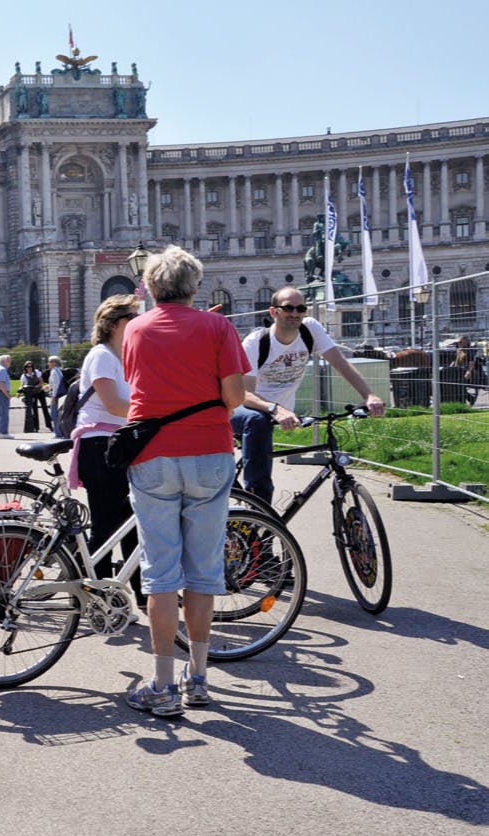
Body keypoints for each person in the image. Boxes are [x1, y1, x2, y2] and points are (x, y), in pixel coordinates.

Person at [122, 245, 249, 717]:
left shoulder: (134, 328)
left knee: (160, 575)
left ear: (151, 288)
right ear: (195, 287)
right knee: (203, 572)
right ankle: (198, 680)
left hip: (153, 456)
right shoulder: (219, 326)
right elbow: (233, 397)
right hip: (210, 453)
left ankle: (162, 687)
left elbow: (139, 385)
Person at [231, 287, 386, 503]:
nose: (295, 313)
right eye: (288, 308)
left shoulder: (310, 329)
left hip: (280, 412)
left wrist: (369, 395)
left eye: (300, 308)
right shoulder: (256, 342)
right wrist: (275, 408)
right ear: (273, 311)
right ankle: (258, 505)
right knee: (257, 421)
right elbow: (243, 393)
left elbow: (341, 364)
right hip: (247, 408)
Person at [70, 296, 142, 601]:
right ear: (114, 325)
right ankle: (96, 595)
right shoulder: (101, 355)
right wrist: (154, 414)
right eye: (132, 318)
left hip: (117, 445)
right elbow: (113, 404)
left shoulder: (121, 355)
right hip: (100, 447)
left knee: (130, 523)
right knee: (107, 525)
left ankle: (139, 591)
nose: (139, 323)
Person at [17, 360, 51, 433]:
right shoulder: (24, 376)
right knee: (34, 409)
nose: (29, 368)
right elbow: (22, 384)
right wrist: (18, 392)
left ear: (33, 367)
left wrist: (37, 386)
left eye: (30, 366)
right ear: (25, 367)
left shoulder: (36, 372)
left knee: (44, 408)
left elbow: (41, 381)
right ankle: (36, 427)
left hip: (40, 391)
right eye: (27, 366)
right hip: (32, 393)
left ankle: (49, 425)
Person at [46, 356, 66, 437]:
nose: (48, 363)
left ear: (54, 362)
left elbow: (56, 385)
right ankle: (59, 432)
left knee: (54, 415)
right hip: (60, 395)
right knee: (58, 414)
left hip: (56, 396)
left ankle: (58, 434)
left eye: (50, 361)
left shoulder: (54, 371)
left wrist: (53, 397)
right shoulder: (58, 371)